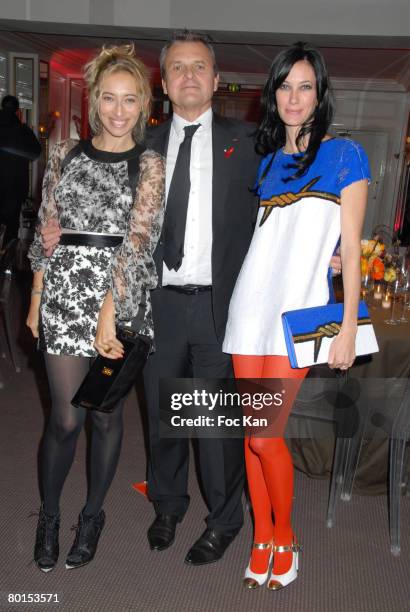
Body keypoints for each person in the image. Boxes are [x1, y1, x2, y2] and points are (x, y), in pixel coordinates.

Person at [223, 42, 370, 589]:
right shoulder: (265, 162)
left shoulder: (345, 156)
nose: (293, 96)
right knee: (251, 435)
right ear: (273, 94)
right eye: (284, 86)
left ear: (319, 94)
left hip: (300, 315)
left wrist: (349, 324)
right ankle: (261, 539)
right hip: (249, 309)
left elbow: (350, 249)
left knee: (265, 436)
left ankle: (284, 534)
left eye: (304, 86)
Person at [26, 44, 165, 573]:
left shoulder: (149, 165)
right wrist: (38, 297)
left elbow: (140, 240)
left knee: (104, 417)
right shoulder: (64, 153)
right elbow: (47, 232)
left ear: (144, 104)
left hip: (121, 295)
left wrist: (111, 309)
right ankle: (51, 516)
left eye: (130, 100)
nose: (118, 110)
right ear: (94, 100)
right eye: (109, 98)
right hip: (64, 295)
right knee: (64, 419)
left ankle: (92, 515)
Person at [142, 31, 260, 565]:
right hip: (158, 303)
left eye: (199, 67)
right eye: (177, 68)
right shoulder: (142, 147)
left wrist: (328, 249)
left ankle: (224, 519)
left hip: (218, 306)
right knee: (164, 412)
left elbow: (288, 205)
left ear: (216, 80)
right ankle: (167, 504)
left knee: (213, 425)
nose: (188, 75)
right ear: (164, 82)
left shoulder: (251, 143)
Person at [0, 95, 41, 246]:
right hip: (15, 185)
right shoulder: (23, 131)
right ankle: (7, 263)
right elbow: (36, 152)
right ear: (17, 110)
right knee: (11, 227)